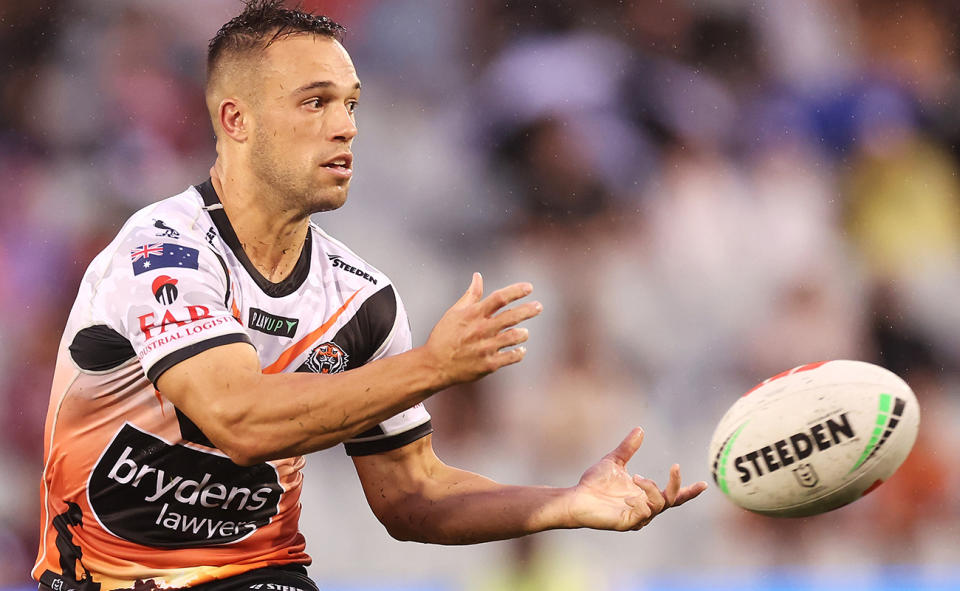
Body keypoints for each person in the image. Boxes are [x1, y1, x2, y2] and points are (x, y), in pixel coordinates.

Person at [32, 2, 707, 589]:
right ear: (236, 120)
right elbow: (237, 419)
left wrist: (567, 501)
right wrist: (434, 367)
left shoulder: (361, 299)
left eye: (351, 103)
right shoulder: (162, 248)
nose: (346, 126)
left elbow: (411, 496)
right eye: (315, 101)